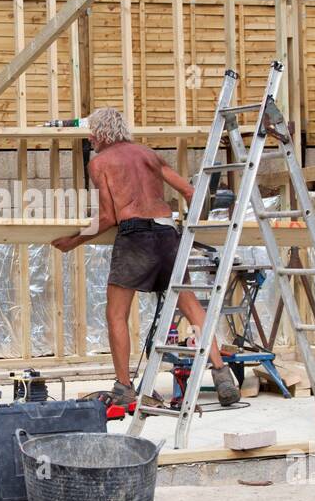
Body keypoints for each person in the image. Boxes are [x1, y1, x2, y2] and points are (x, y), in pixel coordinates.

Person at [51, 107, 240, 407]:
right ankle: (221, 374)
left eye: (91, 135)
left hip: (135, 237)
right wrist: (190, 227)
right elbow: (191, 192)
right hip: (168, 235)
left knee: (116, 315)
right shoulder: (149, 155)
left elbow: (107, 217)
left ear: (99, 134)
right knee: (192, 308)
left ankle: (124, 387)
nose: (90, 140)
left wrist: (72, 242)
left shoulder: (100, 162)